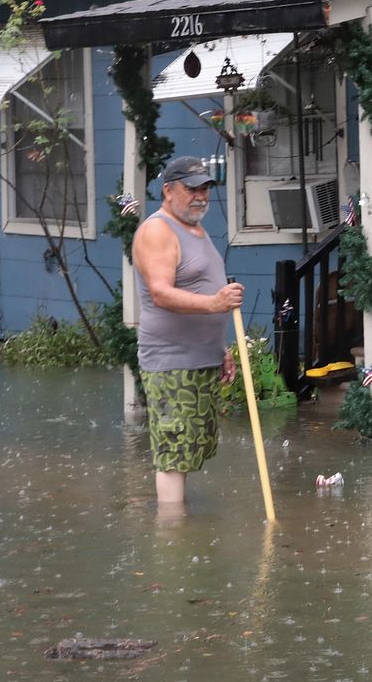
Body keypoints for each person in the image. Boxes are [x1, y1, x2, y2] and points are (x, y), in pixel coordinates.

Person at [133, 155, 244, 514]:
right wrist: (214, 303)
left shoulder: (195, 228)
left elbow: (198, 286)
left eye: (205, 188)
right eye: (191, 188)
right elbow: (161, 293)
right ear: (168, 190)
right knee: (174, 450)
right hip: (171, 362)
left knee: (193, 445)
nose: (200, 196)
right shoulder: (157, 231)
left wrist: (220, 346)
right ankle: (172, 534)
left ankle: (180, 519)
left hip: (202, 357)